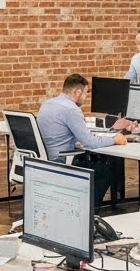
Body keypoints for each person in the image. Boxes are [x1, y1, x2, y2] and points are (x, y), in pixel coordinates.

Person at [36, 74, 134, 209]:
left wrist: (112, 129)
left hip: (45, 160)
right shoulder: (71, 109)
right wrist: (115, 139)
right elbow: (89, 142)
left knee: (96, 162)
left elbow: (72, 133)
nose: (86, 97)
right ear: (77, 92)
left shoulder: (48, 104)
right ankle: (89, 212)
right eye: (86, 93)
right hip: (62, 161)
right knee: (106, 171)